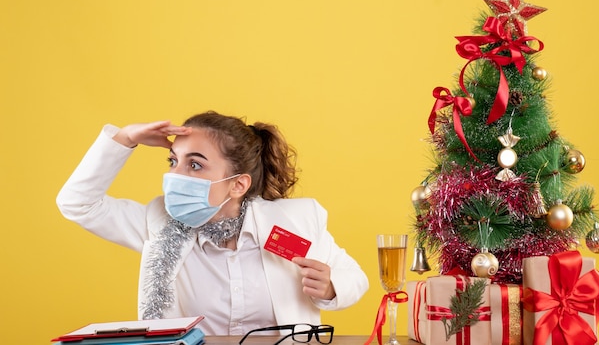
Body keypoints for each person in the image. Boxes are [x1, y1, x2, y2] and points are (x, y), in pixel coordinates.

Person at [56, 111, 369, 335]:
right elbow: (77, 203)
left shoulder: (294, 220)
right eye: (172, 160)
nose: (175, 175)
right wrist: (124, 138)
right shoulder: (158, 224)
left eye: (194, 164)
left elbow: (355, 277)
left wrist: (329, 287)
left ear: (237, 185)